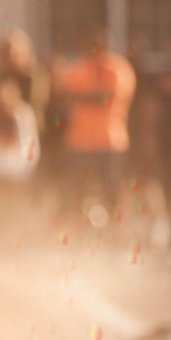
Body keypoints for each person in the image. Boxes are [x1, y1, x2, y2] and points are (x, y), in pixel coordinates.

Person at [54, 27, 136, 227]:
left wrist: (77, 96)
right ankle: (75, 232)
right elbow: (62, 95)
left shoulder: (118, 68)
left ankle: (117, 232)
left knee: (113, 191)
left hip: (109, 140)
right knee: (74, 192)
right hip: (79, 141)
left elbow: (105, 98)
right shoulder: (79, 68)